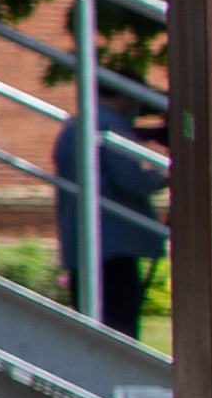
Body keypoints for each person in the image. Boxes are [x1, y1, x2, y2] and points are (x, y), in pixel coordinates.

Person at [46, 68, 164, 337]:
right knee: (120, 328)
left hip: (80, 244)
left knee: (91, 329)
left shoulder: (75, 126)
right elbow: (130, 182)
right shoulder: (110, 127)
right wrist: (163, 176)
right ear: (126, 96)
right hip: (114, 245)